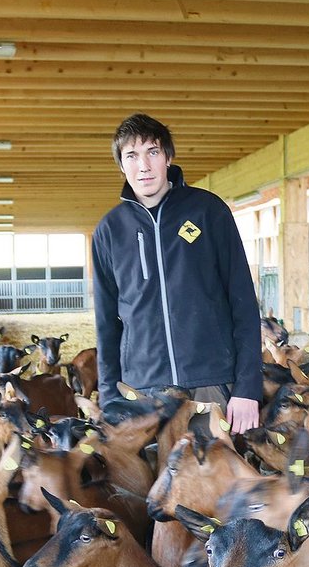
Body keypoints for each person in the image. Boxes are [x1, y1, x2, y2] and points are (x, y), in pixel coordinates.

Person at [91, 113, 262, 433]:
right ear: (122, 165)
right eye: (132, 156)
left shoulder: (208, 211)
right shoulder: (109, 230)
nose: (143, 166)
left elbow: (244, 304)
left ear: (168, 157)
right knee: (143, 483)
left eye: (152, 152)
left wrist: (247, 389)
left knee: (218, 481)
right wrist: (110, 398)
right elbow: (106, 324)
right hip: (142, 391)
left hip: (211, 384)